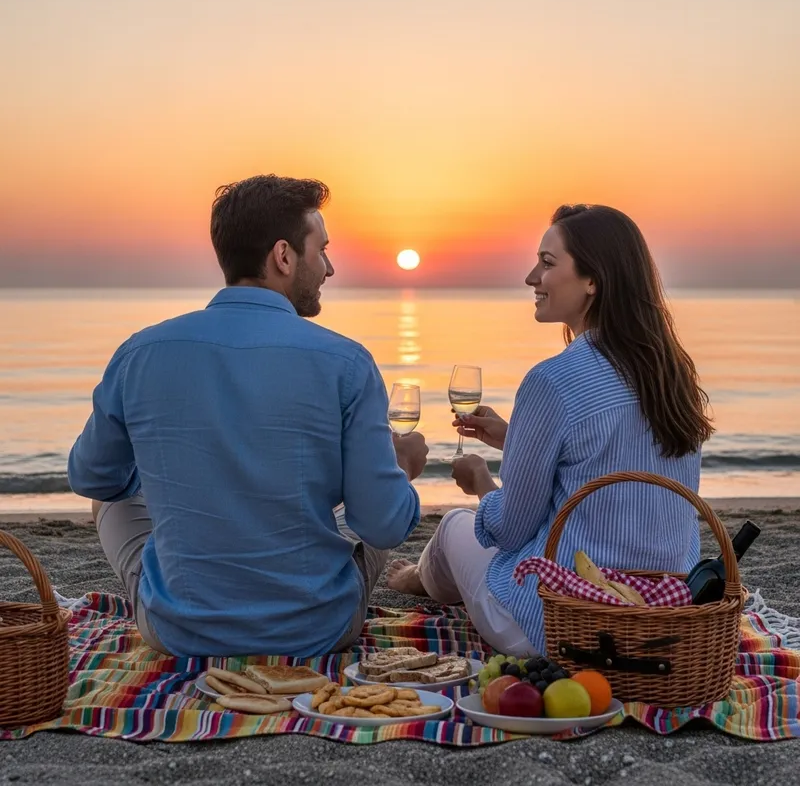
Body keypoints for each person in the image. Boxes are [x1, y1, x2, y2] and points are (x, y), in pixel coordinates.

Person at [68, 175, 428, 658]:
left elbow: (92, 477)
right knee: (379, 501)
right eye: (321, 250)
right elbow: (382, 526)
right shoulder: (347, 363)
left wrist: (180, 477)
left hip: (180, 631)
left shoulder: (140, 353)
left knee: (109, 502)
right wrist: (401, 468)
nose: (329, 267)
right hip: (317, 630)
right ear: (283, 256)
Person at [387, 204, 713, 656]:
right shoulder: (672, 375)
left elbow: (510, 531)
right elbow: (612, 464)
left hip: (556, 624)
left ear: (593, 280)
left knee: (454, 526)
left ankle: (417, 579)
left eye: (547, 262)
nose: (531, 277)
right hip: (658, 618)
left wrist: (480, 482)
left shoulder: (553, 380)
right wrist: (516, 440)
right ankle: (426, 577)